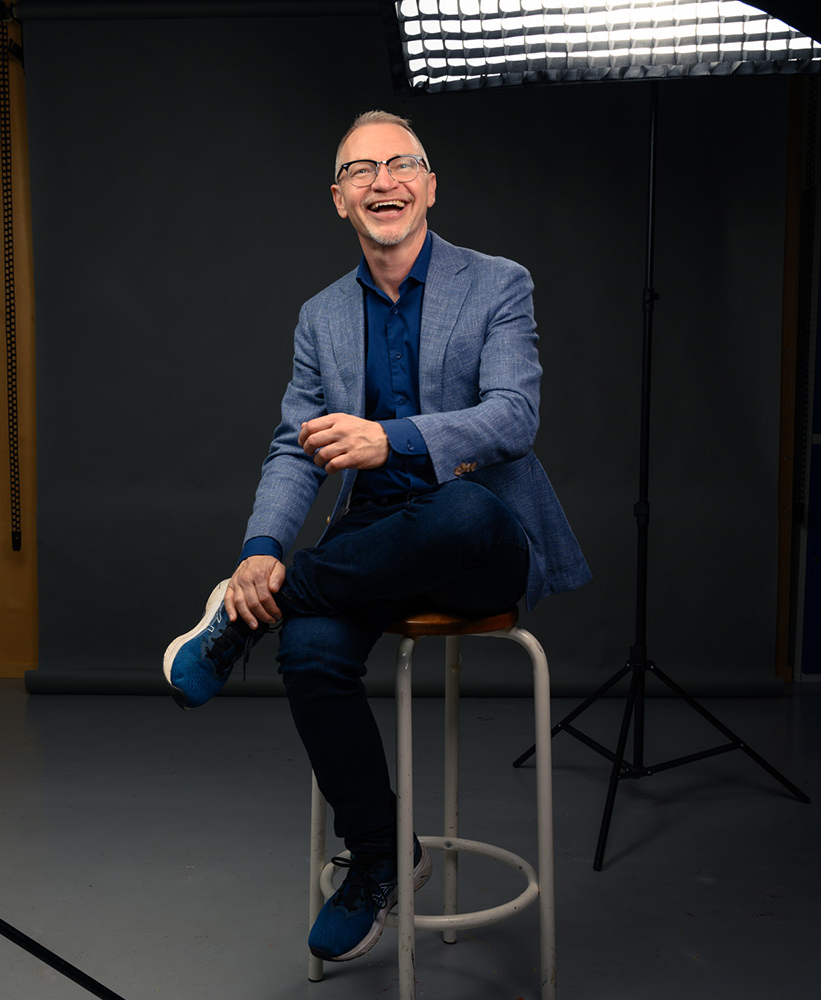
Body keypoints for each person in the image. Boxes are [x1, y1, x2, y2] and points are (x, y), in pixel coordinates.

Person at [163, 110, 589, 964]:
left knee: (460, 513)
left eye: (401, 165)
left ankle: (245, 616)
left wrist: (389, 441)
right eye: (361, 171)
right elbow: (296, 447)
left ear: (429, 186)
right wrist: (260, 550)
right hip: (371, 547)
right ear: (339, 199)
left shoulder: (497, 283)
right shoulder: (321, 315)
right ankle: (383, 855)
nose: (382, 182)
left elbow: (514, 416)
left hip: (479, 538)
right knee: (309, 652)